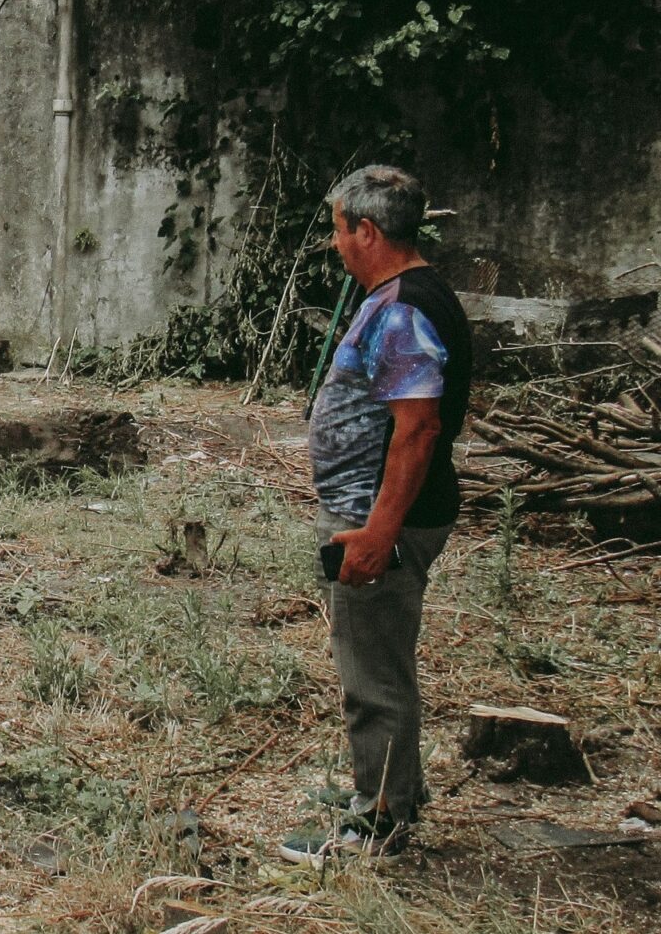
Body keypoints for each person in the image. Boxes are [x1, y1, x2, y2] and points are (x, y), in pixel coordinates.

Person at [281, 165, 472, 865]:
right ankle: (393, 791)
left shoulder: (404, 310)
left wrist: (378, 532)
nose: (335, 244)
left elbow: (417, 430)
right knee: (381, 658)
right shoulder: (407, 294)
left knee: (373, 675)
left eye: (338, 230)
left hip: (379, 518)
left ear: (366, 230)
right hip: (377, 511)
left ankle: (380, 824)